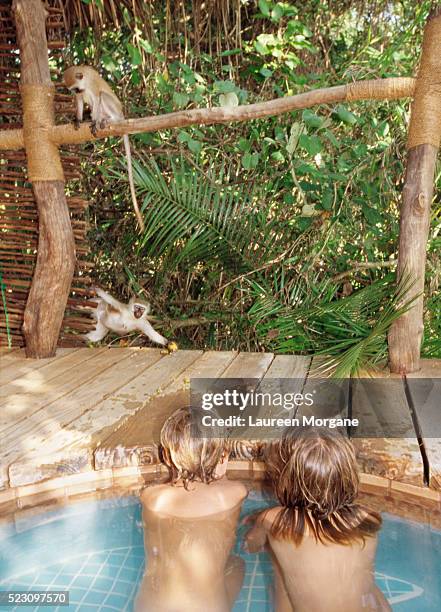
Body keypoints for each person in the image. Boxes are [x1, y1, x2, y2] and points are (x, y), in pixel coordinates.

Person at [244, 428, 391, 612]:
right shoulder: (367, 517)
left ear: (285, 479)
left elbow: (251, 546)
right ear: (349, 475)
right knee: (365, 583)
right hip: (367, 606)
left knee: (279, 573)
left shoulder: (273, 519)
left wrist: (262, 530)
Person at [135, 407, 247, 612]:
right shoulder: (233, 494)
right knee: (237, 564)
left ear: (167, 457)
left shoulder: (154, 498)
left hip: (152, 606)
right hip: (209, 608)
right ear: (223, 457)